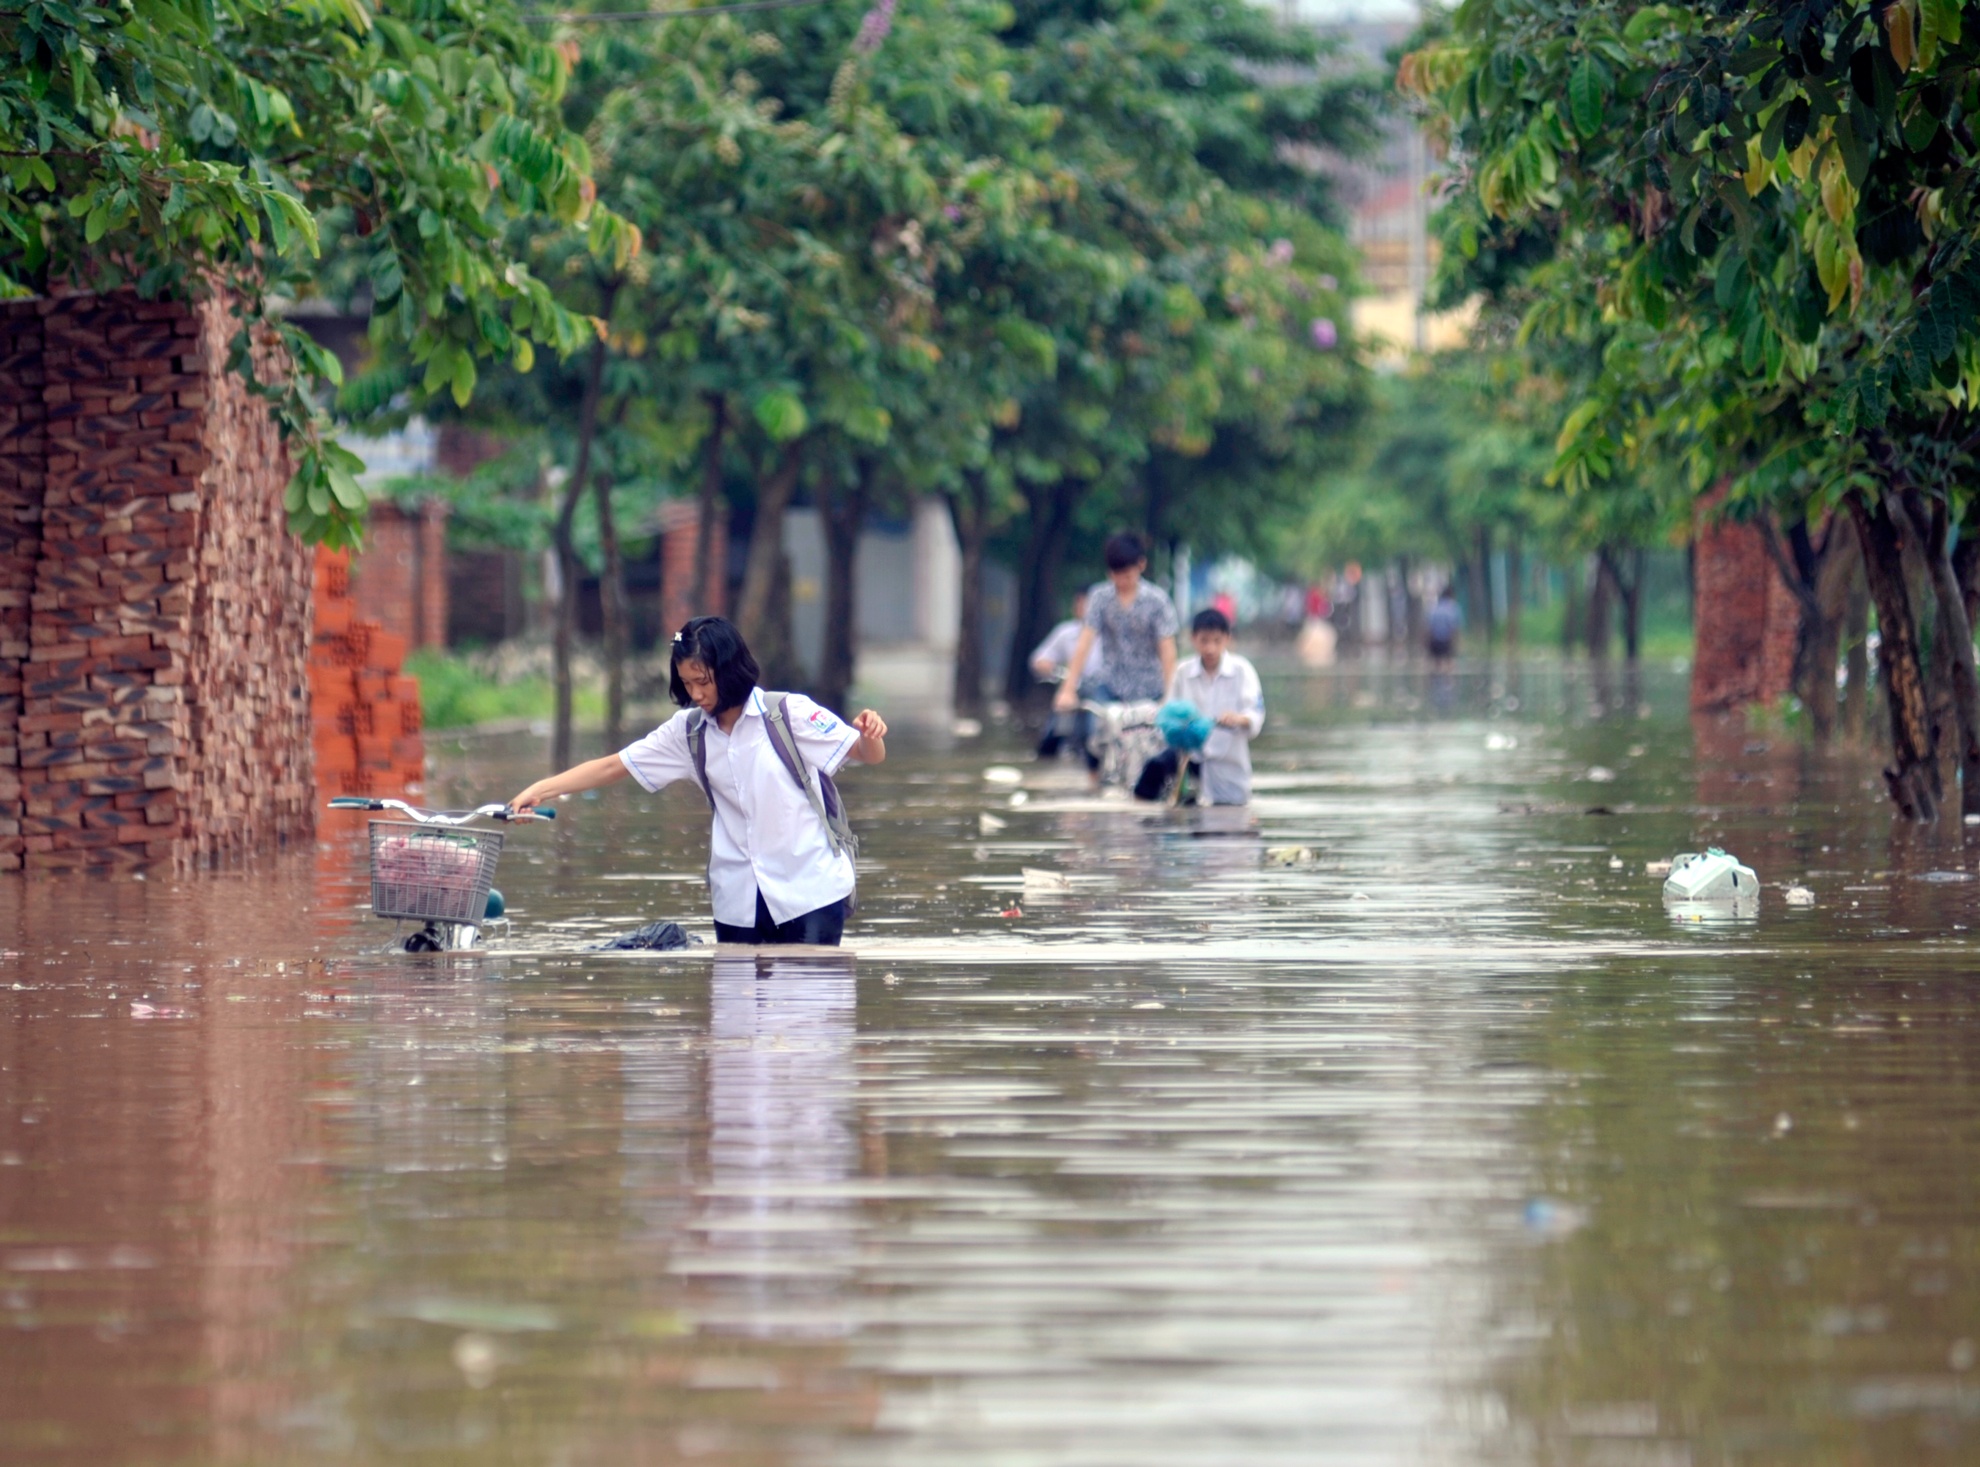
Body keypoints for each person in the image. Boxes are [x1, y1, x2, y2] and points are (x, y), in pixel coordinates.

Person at [510, 616, 887, 946]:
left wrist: (871, 734)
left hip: (810, 891)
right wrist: (539, 790)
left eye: (704, 682)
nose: (697, 694)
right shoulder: (688, 733)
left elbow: (867, 754)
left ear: (730, 670)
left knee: (808, 1016)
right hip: (737, 900)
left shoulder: (789, 714)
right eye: (687, 683)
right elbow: (614, 766)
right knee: (736, 1020)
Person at [1133, 608, 1264, 804]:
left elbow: (1255, 713)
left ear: (1227, 639)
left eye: (1216, 641)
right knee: (1155, 769)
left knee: (1229, 818)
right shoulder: (1183, 671)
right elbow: (1168, 712)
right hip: (1190, 757)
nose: (1210, 648)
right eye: (1204, 641)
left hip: (1227, 761)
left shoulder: (1242, 670)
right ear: (1193, 639)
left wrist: (1237, 718)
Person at [1054, 531, 1179, 714]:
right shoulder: (1099, 597)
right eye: (1115, 574)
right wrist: (1067, 689)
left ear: (1141, 565)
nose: (1121, 581)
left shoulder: (1157, 601)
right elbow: (1084, 642)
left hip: (1151, 690)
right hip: (1110, 687)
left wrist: (1171, 696)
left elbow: (1167, 651)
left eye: (1127, 574)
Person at [1031, 590, 1106, 760]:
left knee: (1096, 729)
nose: (1083, 609)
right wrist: (1048, 666)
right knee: (1055, 725)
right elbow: (1040, 659)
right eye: (1078, 604)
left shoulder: (1110, 632)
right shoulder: (1065, 632)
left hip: (1101, 690)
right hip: (1071, 687)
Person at [1426, 585, 1461, 663]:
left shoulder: (1434, 609)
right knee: (1449, 665)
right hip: (1447, 642)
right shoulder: (1453, 608)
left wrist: (1426, 644)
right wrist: (1456, 644)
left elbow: (1429, 629)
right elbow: (1454, 628)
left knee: (1436, 665)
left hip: (1435, 642)